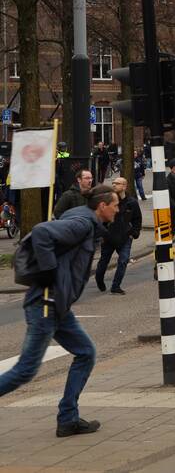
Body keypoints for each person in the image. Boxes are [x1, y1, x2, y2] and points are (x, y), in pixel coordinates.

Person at [0, 185, 120, 437]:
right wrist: (49, 272)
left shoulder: (86, 222)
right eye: (115, 205)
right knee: (25, 370)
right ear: (102, 206)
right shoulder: (82, 223)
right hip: (45, 303)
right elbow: (42, 232)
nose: (117, 209)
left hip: (58, 305)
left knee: (85, 353)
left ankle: (68, 418)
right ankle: (68, 417)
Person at [94, 178, 141, 295]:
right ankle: (99, 279)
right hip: (109, 237)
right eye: (113, 183)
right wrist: (102, 234)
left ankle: (116, 286)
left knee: (123, 260)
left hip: (125, 237)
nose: (114, 185)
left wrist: (134, 233)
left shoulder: (132, 202)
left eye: (117, 183)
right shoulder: (108, 201)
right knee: (103, 262)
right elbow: (101, 218)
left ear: (124, 186)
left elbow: (137, 219)